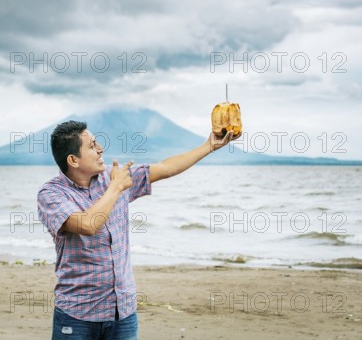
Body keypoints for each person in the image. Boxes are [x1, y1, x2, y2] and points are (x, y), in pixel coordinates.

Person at [37, 120, 240, 340]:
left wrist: (208, 146)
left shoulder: (114, 178)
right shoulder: (51, 194)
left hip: (122, 313)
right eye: (92, 145)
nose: (100, 149)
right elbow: (88, 225)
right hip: (77, 315)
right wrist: (115, 188)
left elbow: (166, 168)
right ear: (73, 160)